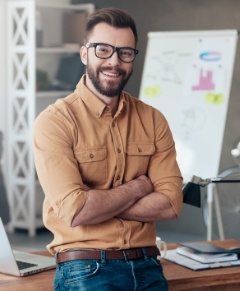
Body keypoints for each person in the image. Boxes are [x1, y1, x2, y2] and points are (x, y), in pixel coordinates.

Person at [33, 7, 183, 291]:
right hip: (86, 268)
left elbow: (171, 203)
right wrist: (139, 187)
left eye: (125, 52)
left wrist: (97, 202)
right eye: (103, 49)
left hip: (149, 264)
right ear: (84, 54)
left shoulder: (153, 119)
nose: (114, 61)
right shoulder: (55, 122)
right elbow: (76, 211)